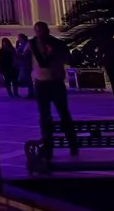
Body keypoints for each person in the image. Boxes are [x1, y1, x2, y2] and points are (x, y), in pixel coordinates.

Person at [30, 21, 79, 157]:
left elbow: (67, 59)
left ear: (47, 31)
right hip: (41, 82)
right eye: (38, 31)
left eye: (42, 30)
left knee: (63, 113)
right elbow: (34, 61)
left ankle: (72, 144)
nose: (40, 34)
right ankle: (48, 146)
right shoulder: (32, 44)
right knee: (45, 116)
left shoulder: (58, 44)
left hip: (56, 82)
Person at [14, 33, 34, 99]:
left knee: (28, 79)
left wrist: (20, 54)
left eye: (19, 38)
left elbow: (25, 53)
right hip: (23, 63)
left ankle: (31, 93)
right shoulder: (21, 44)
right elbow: (17, 51)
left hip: (26, 63)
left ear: (22, 38)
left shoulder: (27, 43)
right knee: (27, 79)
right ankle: (31, 93)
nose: (18, 39)